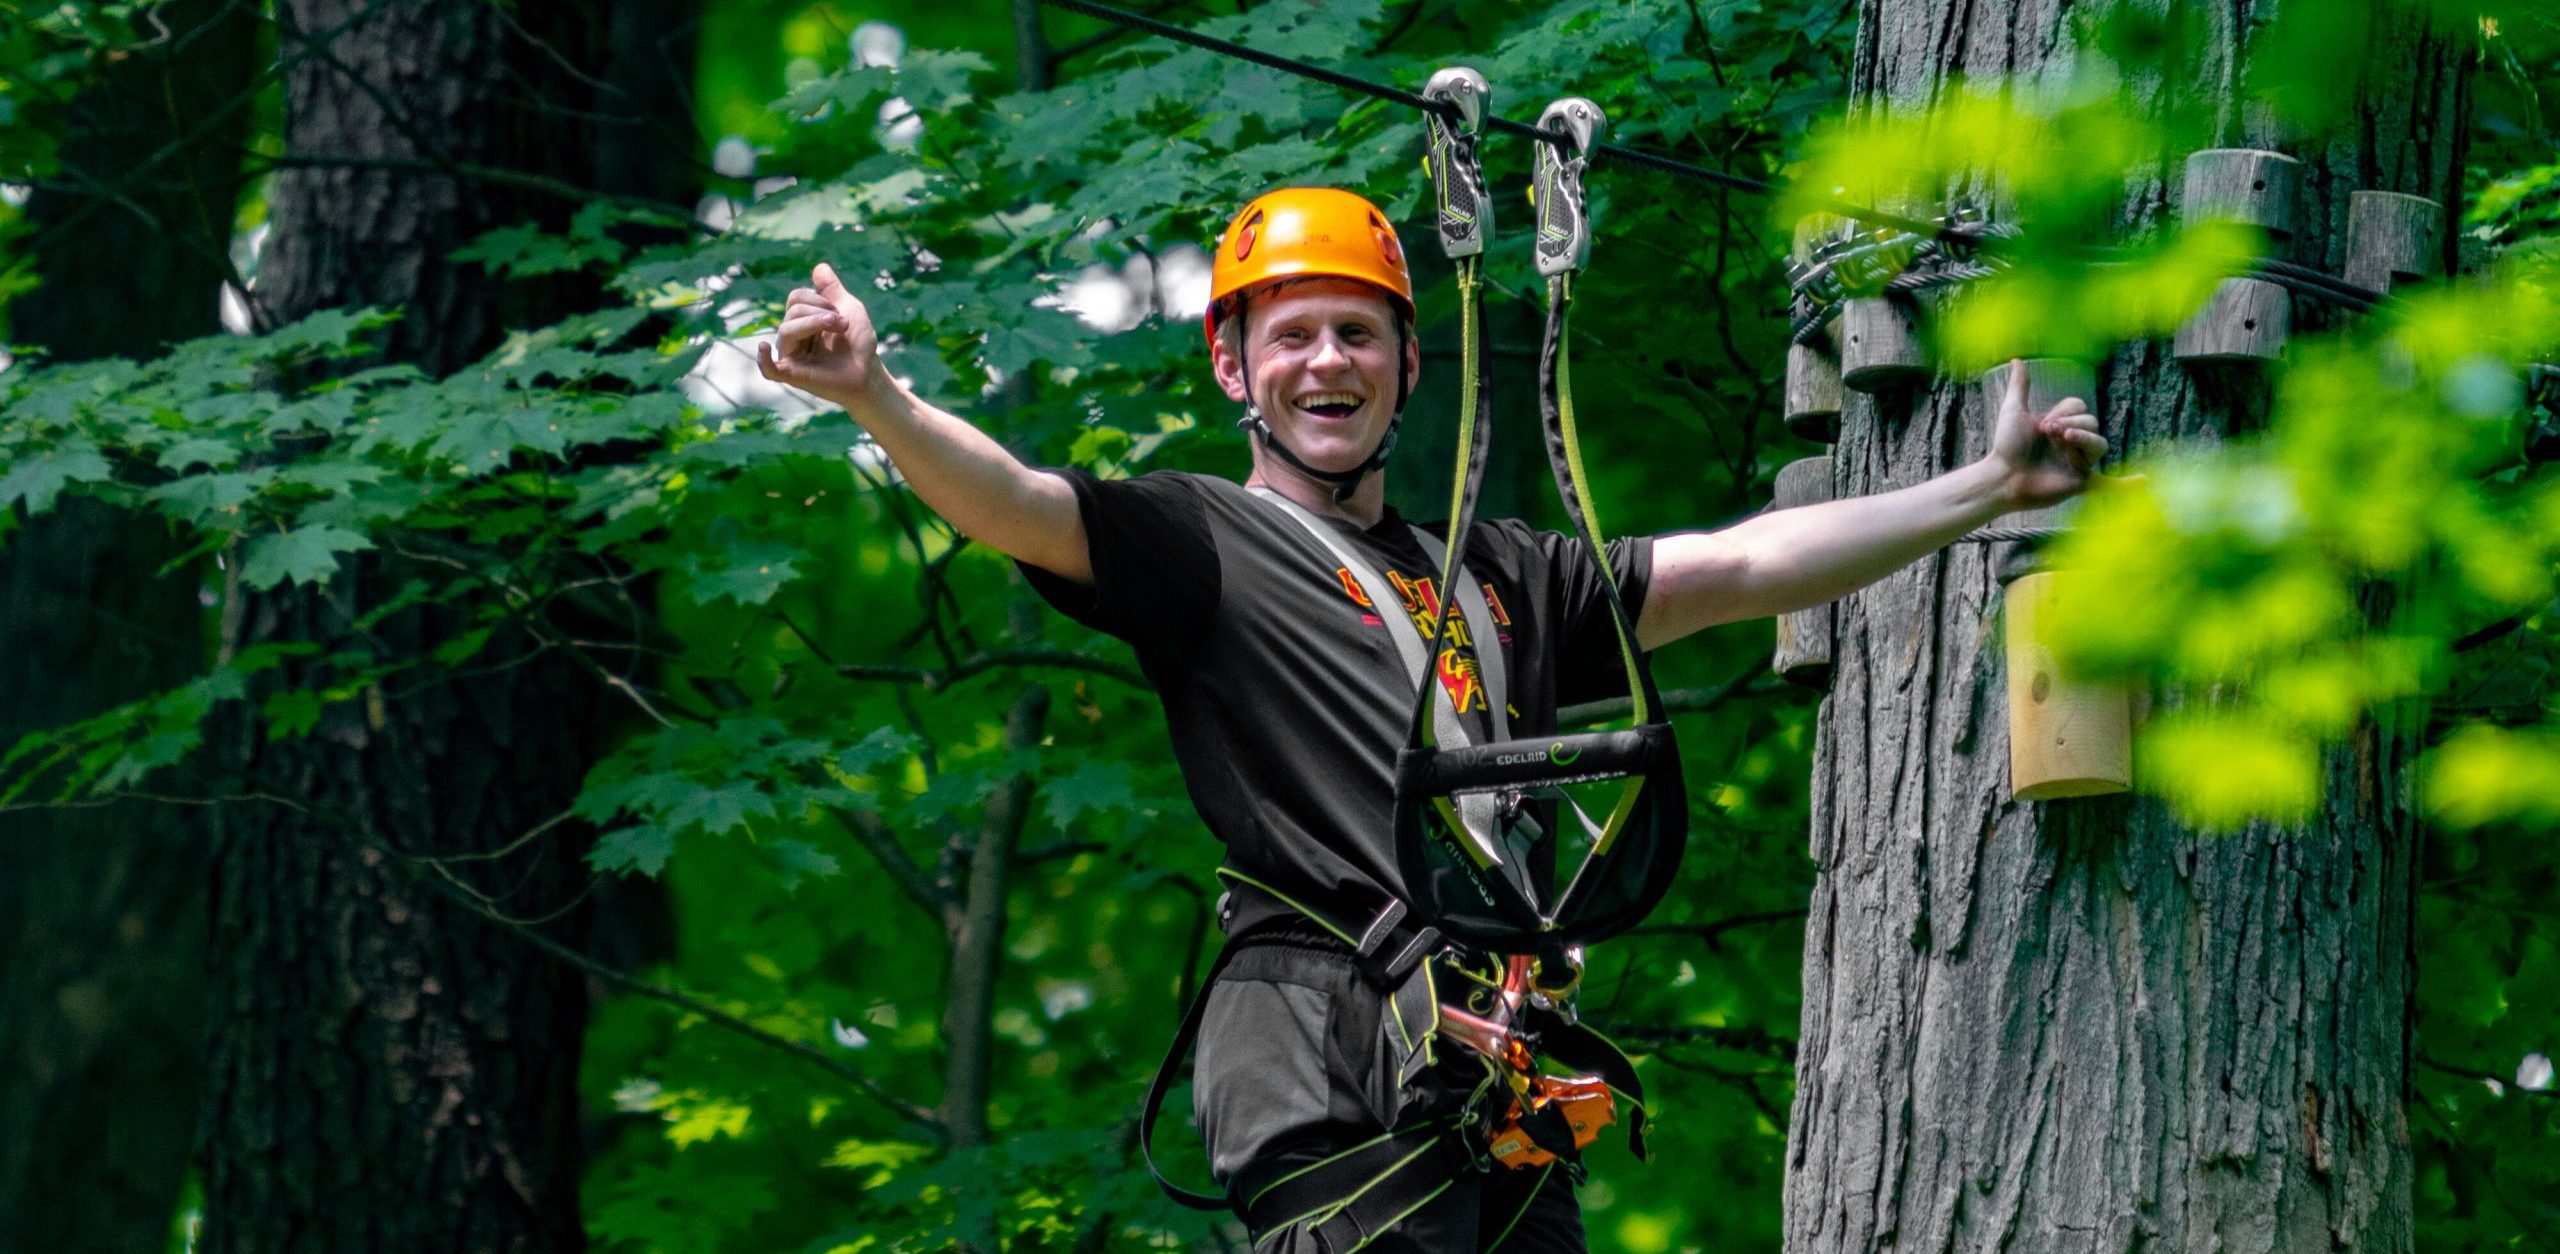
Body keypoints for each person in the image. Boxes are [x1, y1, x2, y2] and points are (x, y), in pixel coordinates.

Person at [758, 187, 2106, 1252]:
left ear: (1407, 363)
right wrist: (877, 395)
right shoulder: (1201, 543)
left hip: (1498, 1074)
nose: (1325, 363)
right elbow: (1013, 503)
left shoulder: (1502, 570)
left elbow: (1741, 564)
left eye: (1358, 333)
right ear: (1233, 364)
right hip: (1325, 1051)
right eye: (1291, 334)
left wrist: (1987, 487)